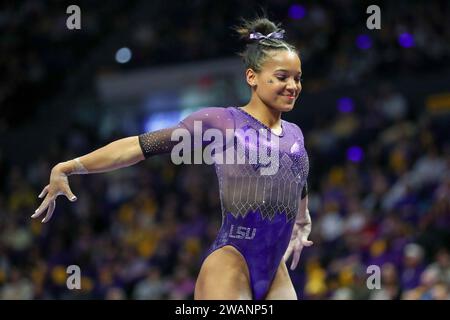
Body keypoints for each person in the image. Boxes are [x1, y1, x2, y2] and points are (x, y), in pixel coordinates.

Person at [32, 17, 313, 300]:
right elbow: (138, 146)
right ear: (252, 77)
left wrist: (302, 220)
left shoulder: (294, 134)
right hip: (232, 262)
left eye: (297, 78)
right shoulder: (224, 122)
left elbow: (298, 181)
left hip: (275, 270)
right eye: (281, 77)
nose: (292, 86)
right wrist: (70, 166)